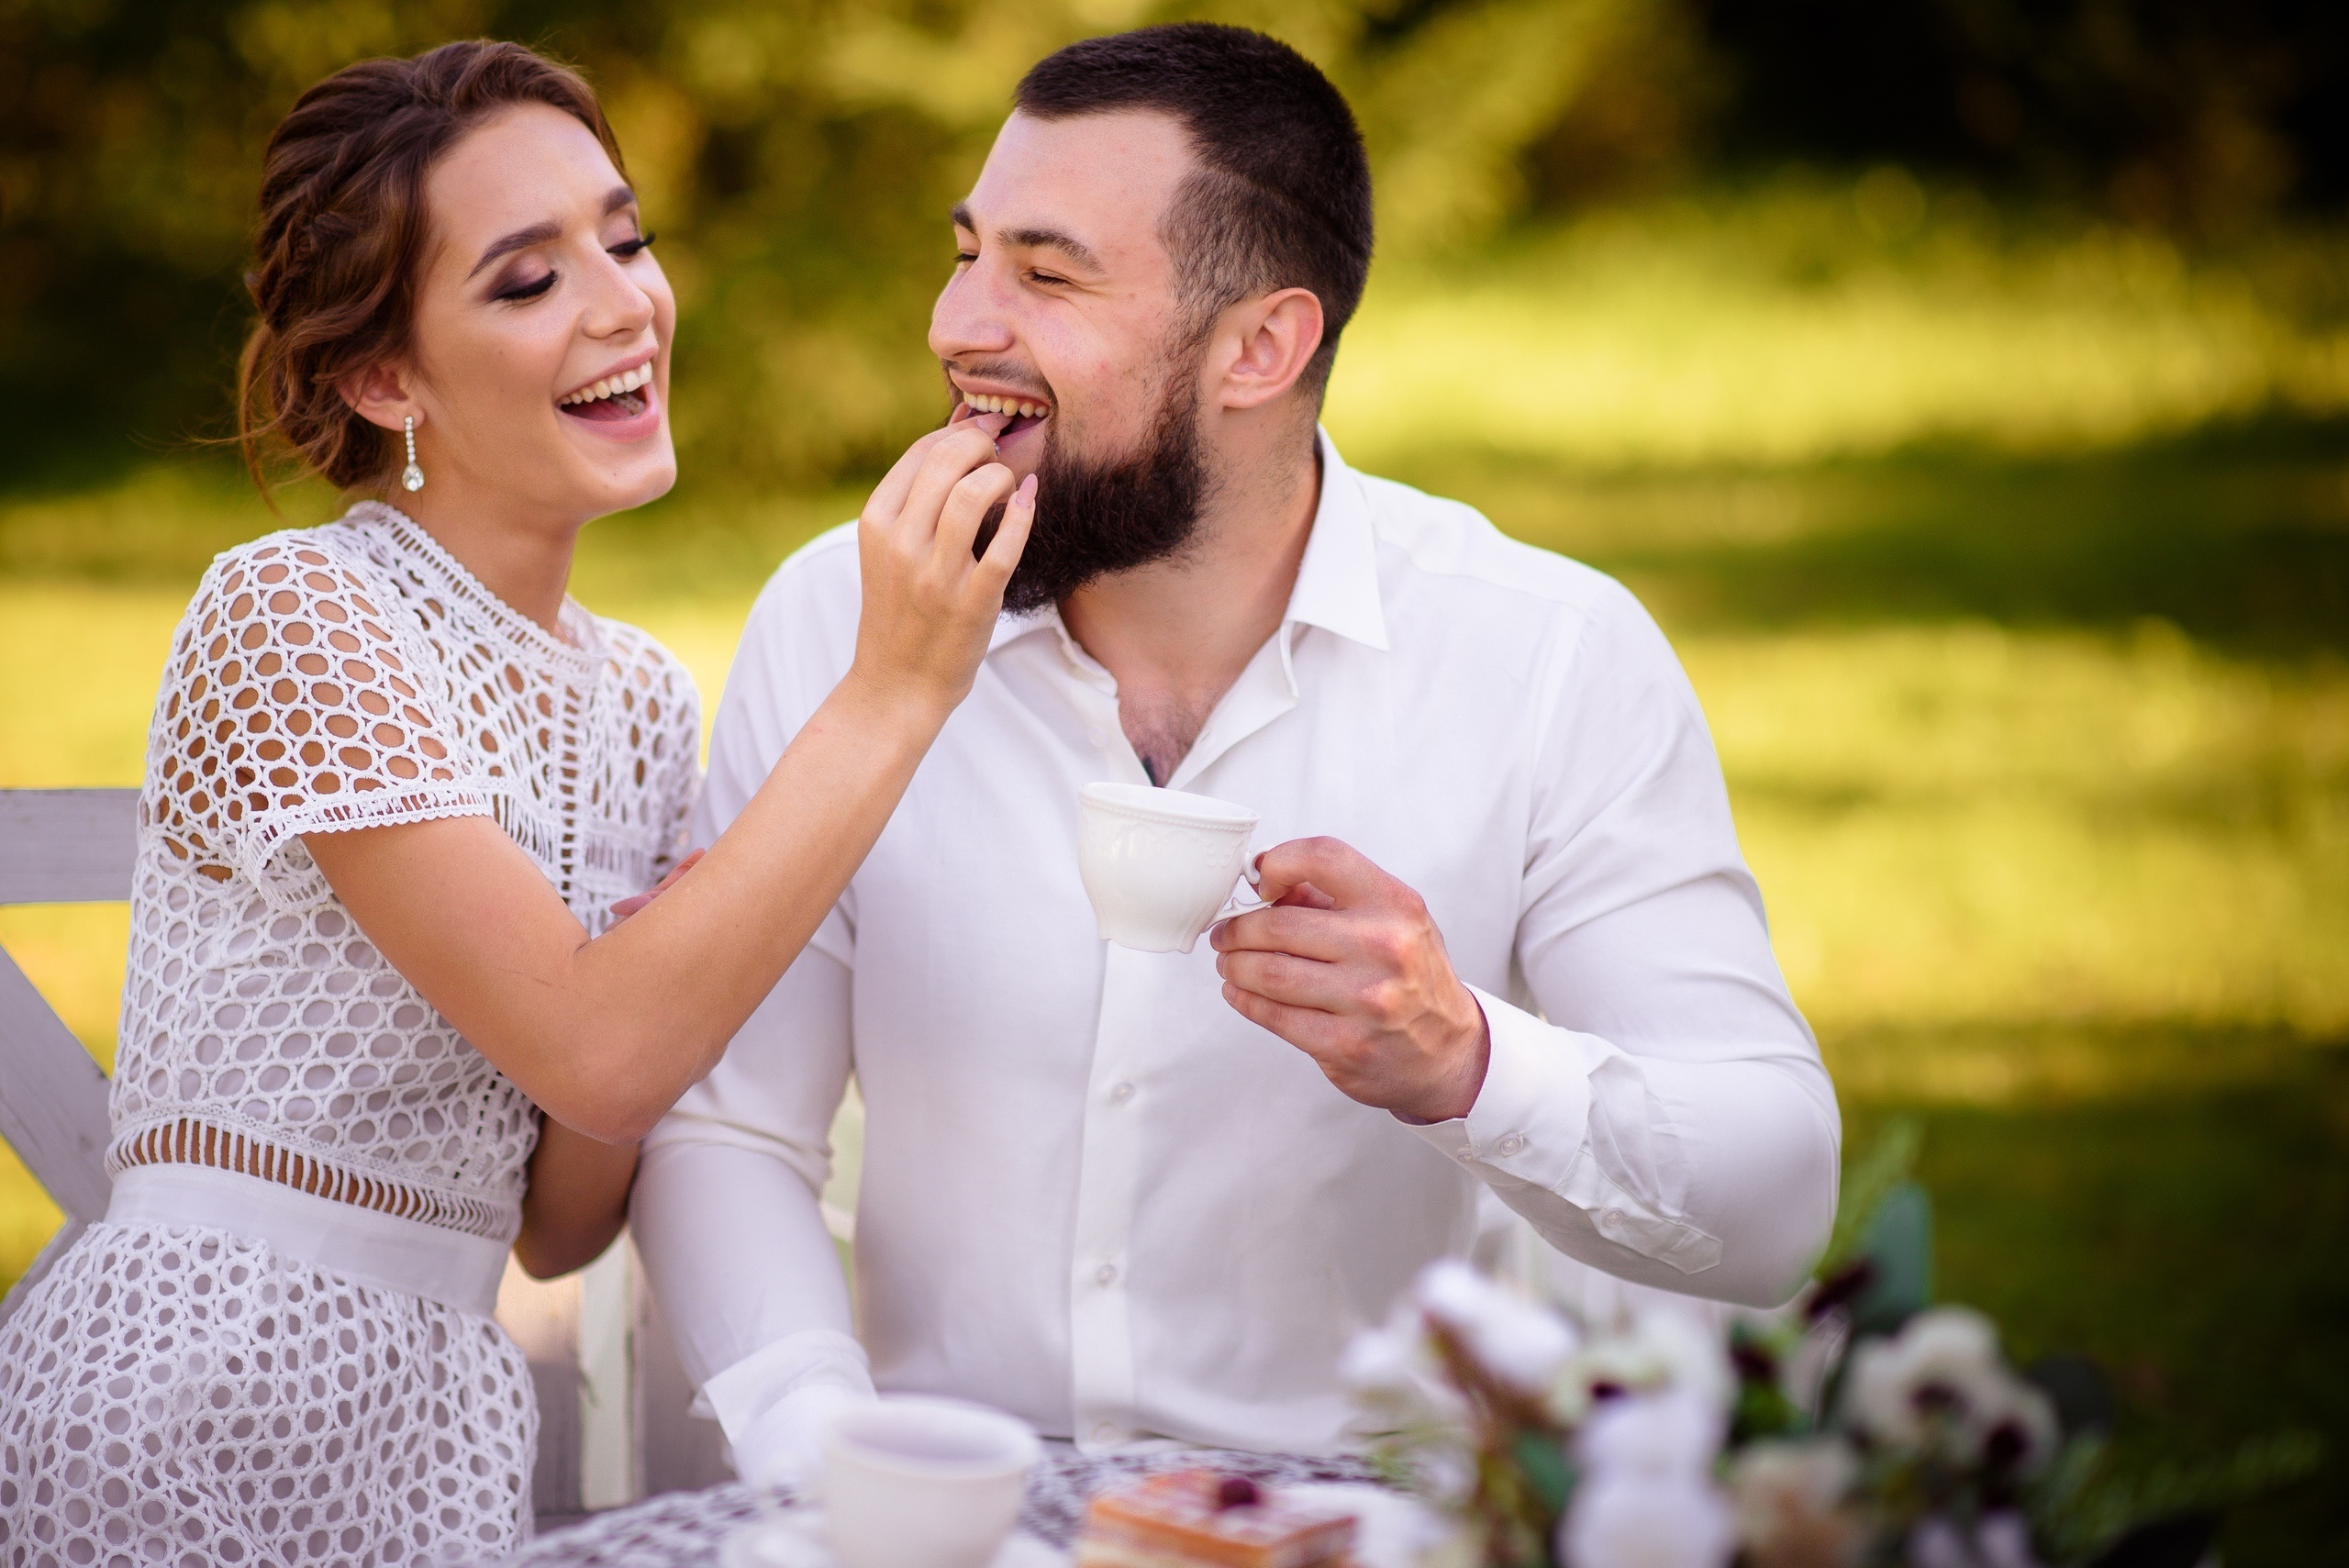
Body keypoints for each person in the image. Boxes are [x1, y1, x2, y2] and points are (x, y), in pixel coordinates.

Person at [632, 21, 1842, 1484]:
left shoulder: (1549, 657)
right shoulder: (839, 616)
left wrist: (1466, 1060)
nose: (959, 322)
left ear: (1262, 346)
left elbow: (1776, 1193)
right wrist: (838, 1455)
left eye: (1046, 271)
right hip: (950, 1503)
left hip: (1352, 1524)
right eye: (967, 254)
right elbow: (728, 1130)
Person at [0, 39, 1031, 1566]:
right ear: (381, 376)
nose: (624, 302)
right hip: (192, 1397)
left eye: (624, 240)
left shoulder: (633, 699)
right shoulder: (293, 611)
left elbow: (558, 1214)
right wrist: (896, 687)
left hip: (441, 1413)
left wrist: (657, 970)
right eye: (525, 280)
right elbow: (599, 1039)